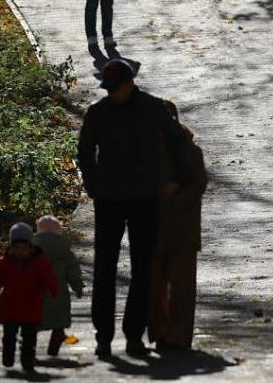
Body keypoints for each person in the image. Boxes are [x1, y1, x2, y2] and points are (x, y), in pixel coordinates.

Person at [77, 59, 188, 359]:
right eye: (108, 89)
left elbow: (180, 139)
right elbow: (84, 151)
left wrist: (175, 180)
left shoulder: (151, 108)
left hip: (143, 198)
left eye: (116, 89)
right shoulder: (98, 113)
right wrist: (92, 185)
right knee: (104, 269)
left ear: (129, 84)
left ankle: (134, 336)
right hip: (109, 199)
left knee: (142, 269)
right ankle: (103, 336)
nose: (112, 94)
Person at [149, 100, 207, 352]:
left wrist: (176, 198)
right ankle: (160, 331)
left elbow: (198, 185)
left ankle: (179, 335)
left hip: (182, 228)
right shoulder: (143, 151)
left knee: (182, 287)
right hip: (151, 227)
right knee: (153, 285)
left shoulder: (190, 150)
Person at [0, 222, 59, 375]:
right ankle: (8, 358)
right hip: (10, 308)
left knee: (29, 340)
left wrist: (52, 288)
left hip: (31, 308)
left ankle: (28, 361)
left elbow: (48, 277)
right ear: (11, 247)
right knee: (9, 338)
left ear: (30, 247)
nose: (20, 252)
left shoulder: (39, 263)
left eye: (24, 248)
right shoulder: (4, 264)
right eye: (16, 248)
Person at [33, 215, 85, 357]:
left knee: (33, 323)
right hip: (58, 294)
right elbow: (73, 271)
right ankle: (57, 338)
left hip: (35, 295)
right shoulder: (64, 251)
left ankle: (29, 346)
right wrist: (78, 287)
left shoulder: (30, 249)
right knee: (58, 321)